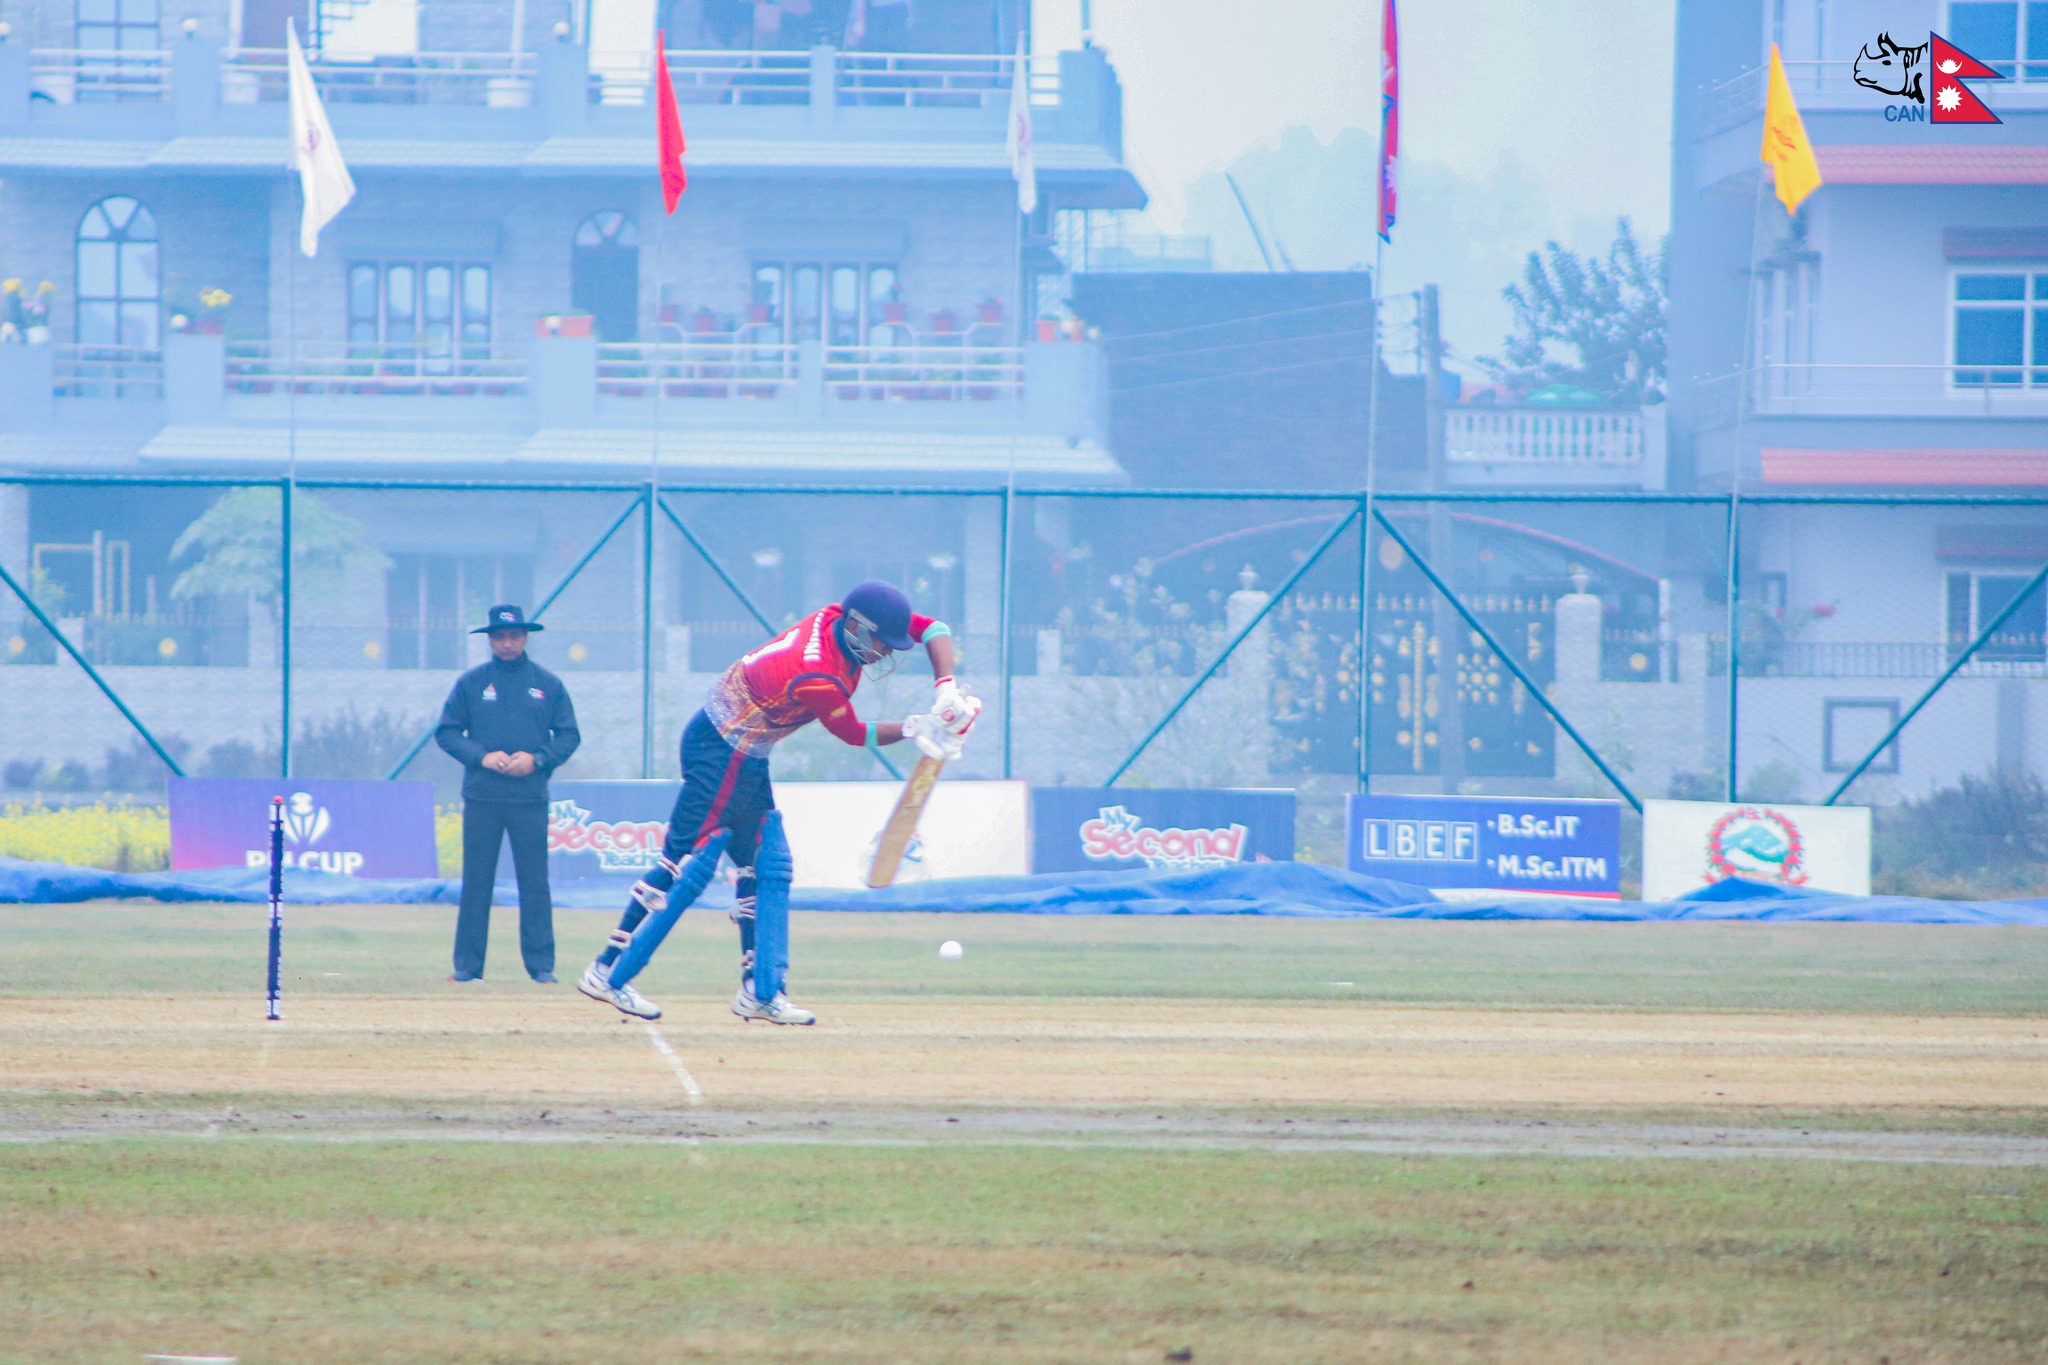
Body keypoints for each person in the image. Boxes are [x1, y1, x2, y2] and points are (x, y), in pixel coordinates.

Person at [577, 579, 977, 1024]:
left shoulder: (840, 616)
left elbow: (934, 627)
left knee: (763, 865)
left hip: (747, 753)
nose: (886, 652)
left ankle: (759, 989)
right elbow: (851, 733)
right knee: (684, 860)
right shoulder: (817, 673)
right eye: (883, 642)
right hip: (719, 748)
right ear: (859, 629)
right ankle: (606, 969)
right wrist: (914, 728)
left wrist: (946, 688)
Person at [436, 604, 581, 984]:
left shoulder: (547, 684)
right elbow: (447, 732)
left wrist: (537, 760)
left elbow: (569, 736)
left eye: (513, 636)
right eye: (499, 636)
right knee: (476, 883)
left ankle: (541, 967)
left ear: (525, 637)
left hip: (529, 799)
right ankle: (468, 966)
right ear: (490, 640)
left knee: (534, 885)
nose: (506, 643)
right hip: (482, 797)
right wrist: (481, 756)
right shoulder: (472, 683)